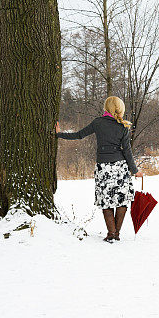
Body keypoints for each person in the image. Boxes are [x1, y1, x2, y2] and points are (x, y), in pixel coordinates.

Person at [56, 96, 143, 242]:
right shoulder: (124, 126)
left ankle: (111, 234)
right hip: (120, 167)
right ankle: (116, 234)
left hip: (104, 168)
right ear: (120, 109)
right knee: (122, 201)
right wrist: (135, 170)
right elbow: (127, 151)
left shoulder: (98, 123)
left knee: (106, 201)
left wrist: (59, 134)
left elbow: (79, 135)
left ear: (106, 108)